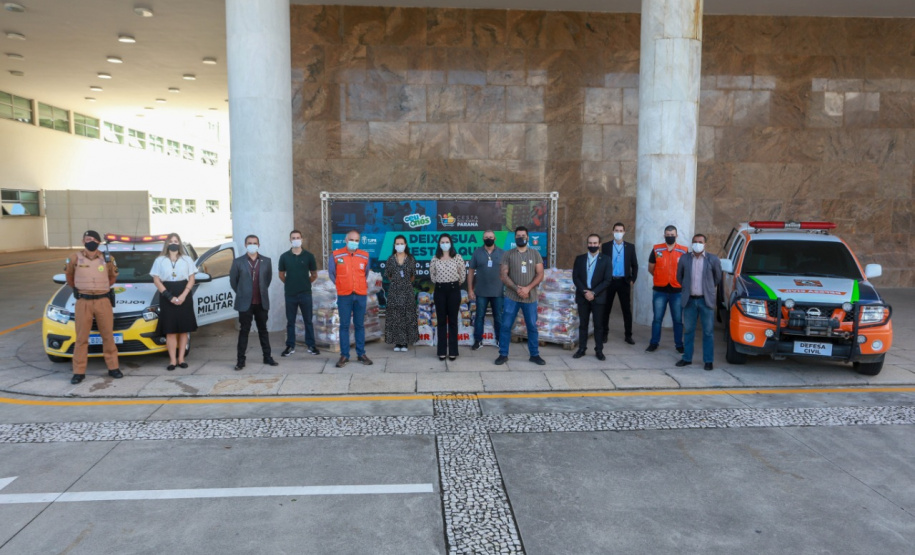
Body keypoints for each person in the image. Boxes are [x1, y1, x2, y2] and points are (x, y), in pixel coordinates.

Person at [64, 230, 122, 384]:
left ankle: (113, 368)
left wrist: (101, 289)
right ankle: (78, 372)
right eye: (87, 239)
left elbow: (113, 276)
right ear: (83, 241)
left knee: (108, 336)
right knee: (81, 338)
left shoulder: (107, 258)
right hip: (84, 301)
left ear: (98, 242)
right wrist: (80, 288)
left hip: (103, 301)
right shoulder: (74, 258)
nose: (89, 241)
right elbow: (69, 277)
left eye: (92, 239)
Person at [495, 226, 545, 366]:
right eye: (518, 235)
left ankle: (534, 355)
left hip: (530, 297)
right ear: (514, 237)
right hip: (512, 297)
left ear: (528, 237)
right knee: (505, 326)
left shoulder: (535, 254)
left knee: (532, 327)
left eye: (523, 235)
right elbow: (503, 275)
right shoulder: (508, 254)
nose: (521, 237)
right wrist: (518, 289)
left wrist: (528, 288)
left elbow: (540, 274)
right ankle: (503, 354)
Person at [229, 234, 278, 370]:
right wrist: (243, 293)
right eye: (249, 242)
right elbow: (234, 282)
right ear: (245, 245)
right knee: (244, 331)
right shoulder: (238, 262)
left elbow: (267, 280)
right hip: (245, 303)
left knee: (263, 330)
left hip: (261, 302)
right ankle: (240, 360)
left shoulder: (266, 261)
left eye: (254, 242)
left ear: (258, 245)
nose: (252, 245)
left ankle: (267, 357)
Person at [150, 233, 198, 370]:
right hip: (166, 294)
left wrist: (183, 295)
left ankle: (181, 359)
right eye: (171, 241)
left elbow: (192, 279)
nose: (174, 243)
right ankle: (172, 360)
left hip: (185, 294)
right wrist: (168, 296)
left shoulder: (187, 259)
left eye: (176, 241)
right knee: (170, 330)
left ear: (179, 243)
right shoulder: (159, 260)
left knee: (183, 330)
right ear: (167, 243)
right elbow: (156, 280)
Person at [676, 234, 722, 371]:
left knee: (708, 332)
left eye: (700, 242)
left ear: (705, 244)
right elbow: (680, 277)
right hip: (689, 300)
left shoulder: (713, 259)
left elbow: (717, 278)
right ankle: (687, 358)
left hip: (705, 300)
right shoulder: (684, 258)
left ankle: (708, 361)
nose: (698, 244)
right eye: (695, 242)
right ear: (692, 243)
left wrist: (707, 288)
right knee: (689, 330)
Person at [328, 229, 373, 368]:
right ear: (346, 240)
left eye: (356, 240)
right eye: (351, 240)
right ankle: (344, 355)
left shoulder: (365, 256)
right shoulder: (336, 255)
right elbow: (332, 274)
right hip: (344, 295)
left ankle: (361, 354)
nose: (354, 242)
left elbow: (365, 274)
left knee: (360, 325)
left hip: (360, 295)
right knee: (344, 326)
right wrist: (342, 284)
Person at [646, 225, 689, 354]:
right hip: (660, 290)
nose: (670, 237)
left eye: (672, 235)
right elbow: (651, 268)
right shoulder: (656, 249)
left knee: (677, 320)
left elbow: (686, 270)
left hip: (677, 290)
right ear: (664, 235)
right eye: (668, 235)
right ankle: (654, 343)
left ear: (676, 235)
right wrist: (660, 276)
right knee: (657, 319)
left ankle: (679, 344)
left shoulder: (683, 251)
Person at [279, 229, 320, 358]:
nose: (296, 239)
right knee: (290, 321)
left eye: (298, 237)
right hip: (290, 294)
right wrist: (290, 283)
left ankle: (311, 345)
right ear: (290, 240)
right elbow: (281, 275)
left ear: (302, 239)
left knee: (308, 320)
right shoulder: (284, 257)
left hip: (305, 294)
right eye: (293, 237)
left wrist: (305, 283)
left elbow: (314, 274)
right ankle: (290, 345)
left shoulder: (309, 256)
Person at [572, 234, 613, 360]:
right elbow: (576, 277)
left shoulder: (606, 259)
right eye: (590, 243)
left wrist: (593, 293)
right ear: (587, 244)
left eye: (595, 243)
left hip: (598, 297)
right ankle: (582, 348)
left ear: (599, 244)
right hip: (583, 296)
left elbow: (607, 280)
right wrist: (585, 292)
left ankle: (599, 350)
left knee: (598, 325)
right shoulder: (580, 259)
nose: (592, 245)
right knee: (583, 324)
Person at [429, 233, 466, 361]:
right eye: (442, 242)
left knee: (453, 321)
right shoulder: (435, 259)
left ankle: (453, 351)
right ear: (439, 244)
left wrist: (455, 284)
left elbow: (462, 274)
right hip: (439, 291)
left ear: (451, 243)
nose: (445, 244)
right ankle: (441, 351)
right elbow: (432, 276)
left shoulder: (457, 257)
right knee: (441, 322)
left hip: (454, 290)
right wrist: (442, 283)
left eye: (447, 241)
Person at [600, 222, 638, 345]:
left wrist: (632, 279)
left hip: (624, 282)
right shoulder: (605, 247)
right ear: (612, 232)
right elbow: (602, 265)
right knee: (606, 309)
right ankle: (604, 334)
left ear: (624, 232)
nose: (618, 232)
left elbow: (635, 265)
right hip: (610, 281)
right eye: (616, 230)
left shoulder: (630, 247)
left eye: (621, 230)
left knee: (626, 310)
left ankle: (628, 335)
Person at [467, 230, 504, 350]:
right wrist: (470, 290)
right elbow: (471, 271)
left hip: (497, 292)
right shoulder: (477, 252)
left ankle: (500, 340)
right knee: (479, 316)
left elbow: (507, 272)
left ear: (495, 239)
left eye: (491, 237)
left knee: (498, 317)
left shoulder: (502, 253)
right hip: (481, 292)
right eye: (486, 237)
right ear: (482, 239)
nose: (489, 239)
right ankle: (478, 340)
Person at [384, 235, 419, 352]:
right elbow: (388, 275)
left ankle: (404, 343)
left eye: (401, 243)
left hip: (407, 291)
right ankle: (397, 342)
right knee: (395, 316)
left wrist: (404, 283)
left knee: (406, 316)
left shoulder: (410, 259)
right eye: (397, 244)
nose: (399, 246)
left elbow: (413, 276)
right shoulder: (390, 259)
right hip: (394, 291)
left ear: (405, 244)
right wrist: (396, 282)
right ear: (394, 245)